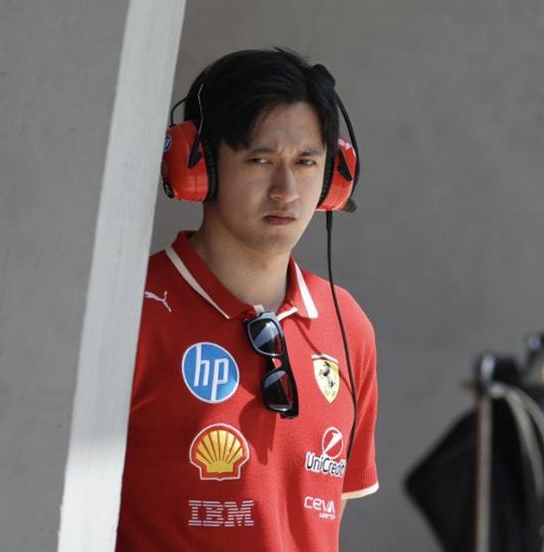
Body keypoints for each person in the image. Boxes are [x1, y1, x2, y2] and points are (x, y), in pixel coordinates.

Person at [116, 49, 379, 551]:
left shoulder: (349, 327)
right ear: (198, 165)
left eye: (306, 163)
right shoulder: (132, 311)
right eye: (260, 159)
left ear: (333, 179)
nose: (286, 190)